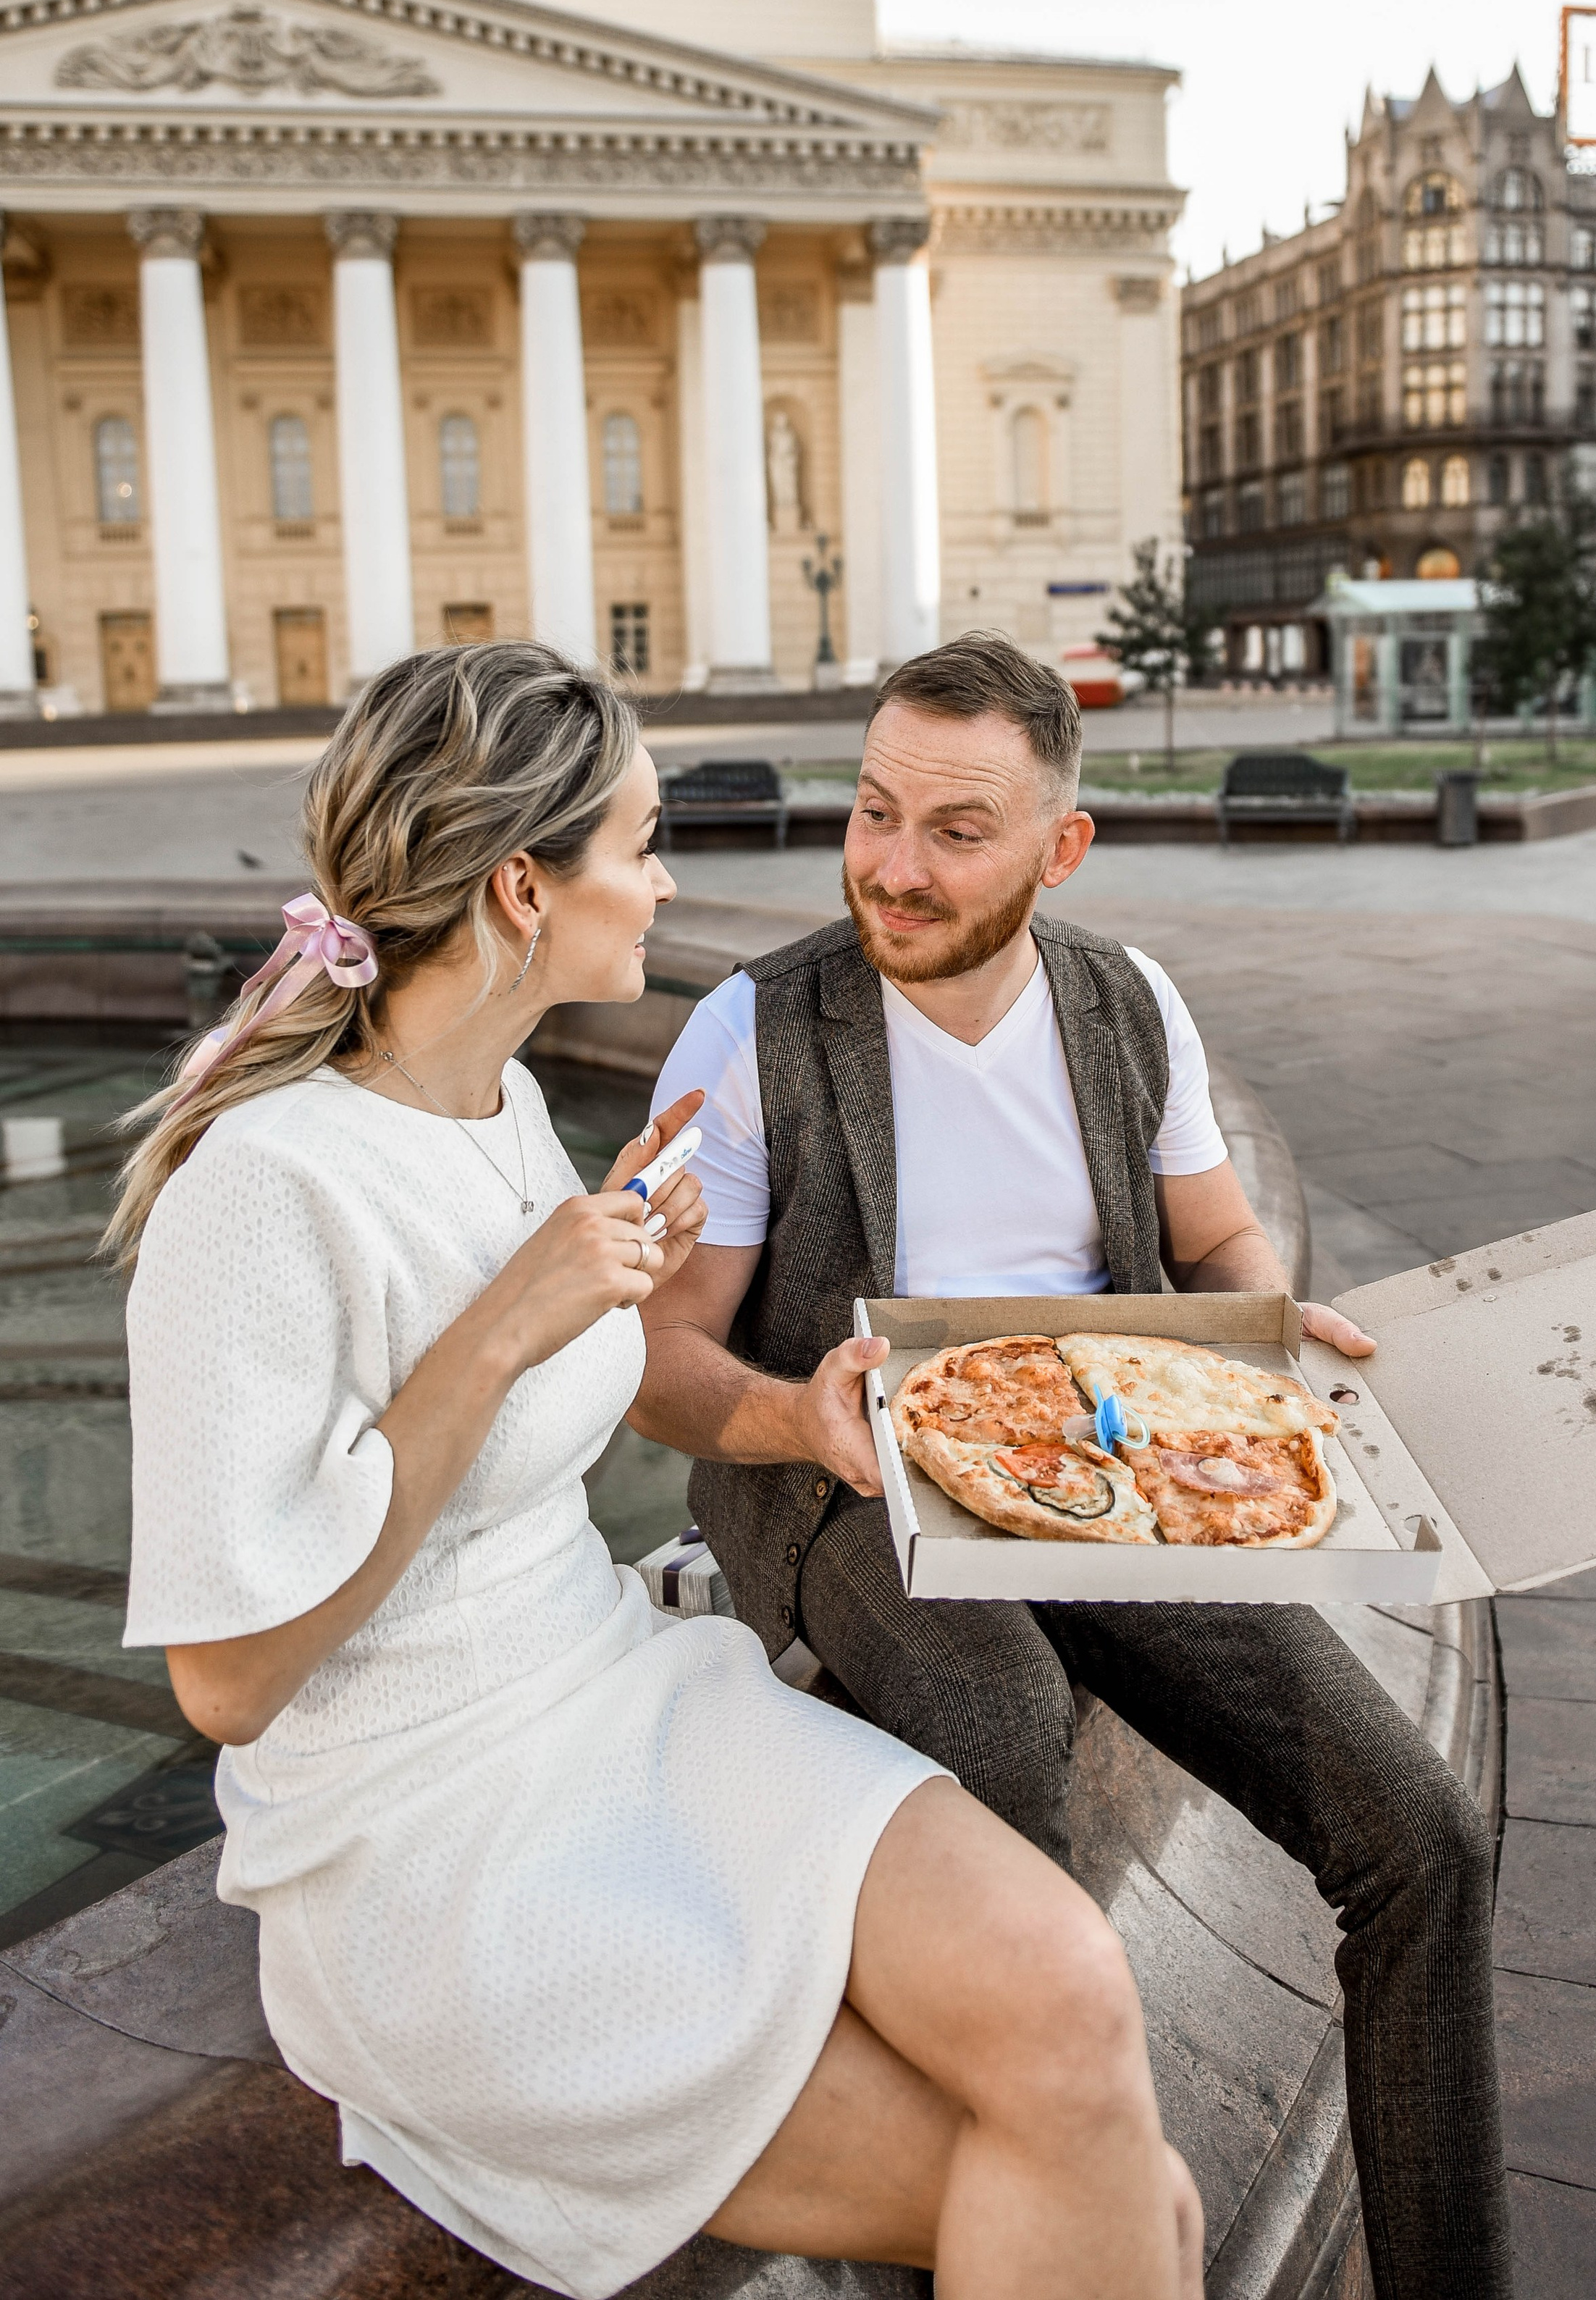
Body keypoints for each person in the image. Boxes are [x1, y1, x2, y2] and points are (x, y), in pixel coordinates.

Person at [115, 642, 1204, 2300]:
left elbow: (524, 1409)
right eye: (637, 844)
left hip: (624, 1696)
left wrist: (603, 1252)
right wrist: (503, 1323)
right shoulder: (257, 1190)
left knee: (1071, 1988)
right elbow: (231, 1678)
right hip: (436, 1836)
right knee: (1112, 2185)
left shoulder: (498, 1109)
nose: (668, 879)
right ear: (520, 888)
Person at [642, 630, 1512, 2300]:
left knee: (1423, 1838)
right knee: (999, 1733)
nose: (892, 867)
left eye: (954, 832)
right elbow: (662, 1361)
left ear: (1061, 845)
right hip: (847, 1479)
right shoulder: (753, 1031)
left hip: (1100, 1462)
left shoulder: (1124, 1000)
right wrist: (795, 1419)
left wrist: (1265, 1328)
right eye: (874, 809)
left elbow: (1216, 1233)